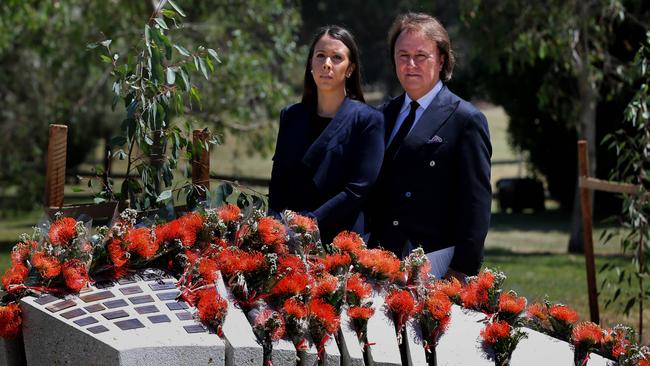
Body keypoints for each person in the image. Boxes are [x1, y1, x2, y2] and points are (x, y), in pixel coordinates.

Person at [368, 13, 492, 280]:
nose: (410, 64)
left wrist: (460, 271)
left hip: (436, 268)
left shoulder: (466, 120)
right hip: (379, 265)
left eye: (421, 56)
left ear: (442, 59)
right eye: (403, 55)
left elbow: (476, 205)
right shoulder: (381, 116)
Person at [268, 25, 384, 244]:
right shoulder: (291, 116)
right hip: (286, 243)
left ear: (350, 69)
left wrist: (306, 224)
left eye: (337, 58)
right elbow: (278, 182)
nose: (326, 64)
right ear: (311, 64)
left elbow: (357, 190)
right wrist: (274, 226)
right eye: (320, 56)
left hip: (342, 244)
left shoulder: (368, 120)